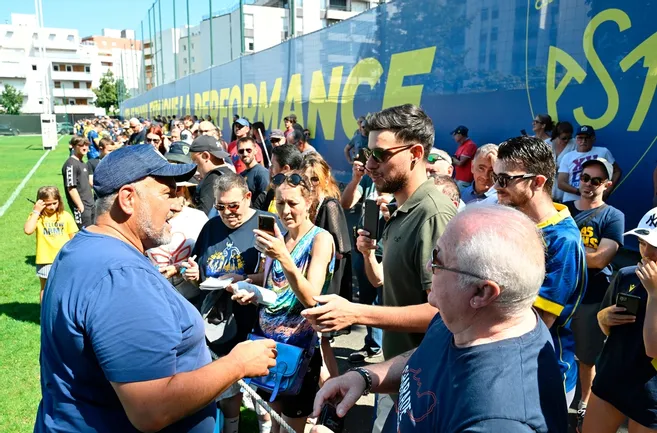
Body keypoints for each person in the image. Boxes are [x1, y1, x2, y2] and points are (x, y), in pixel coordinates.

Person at [35, 145, 277, 433]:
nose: (177, 205)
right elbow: (151, 408)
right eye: (167, 193)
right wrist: (238, 364)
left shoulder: (84, 247)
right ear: (127, 199)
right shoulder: (121, 277)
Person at [311, 205, 569, 433]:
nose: (426, 268)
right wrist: (365, 377)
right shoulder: (470, 319)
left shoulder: (498, 420)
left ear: (481, 292)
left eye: (437, 259)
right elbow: (426, 358)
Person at [302, 104, 456, 432]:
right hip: (399, 376)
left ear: (416, 153)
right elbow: (384, 283)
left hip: (425, 383)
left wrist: (357, 314)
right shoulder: (402, 210)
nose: (369, 164)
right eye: (365, 152)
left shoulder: (433, 215)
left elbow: (445, 316)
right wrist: (370, 255)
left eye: (379, 155)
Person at [233, 171, 335, 433]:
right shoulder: (281, 237)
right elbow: (275, 286)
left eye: (293, 203)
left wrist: (283, 256)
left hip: (299, 354)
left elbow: (311, 297)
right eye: (280, 203)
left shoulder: (320, 239)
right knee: (271, 424)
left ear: (309, 202)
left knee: (290, 428)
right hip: (269, 348)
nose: (286, 211)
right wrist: (250, 287)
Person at [183, 173, 282, 433]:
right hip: (217, 323)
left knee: (262, 391)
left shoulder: (266, 224)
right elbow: (201, 275)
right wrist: (194, 276)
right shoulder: (211, 227)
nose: (227, 213)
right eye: (220, 207)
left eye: (233, 206)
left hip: (254, 322)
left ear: (248, 197)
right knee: (225, 390)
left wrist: (246, 279)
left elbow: (278, 275)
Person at [494, 135, 587, 406]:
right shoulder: (515, 220)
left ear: (538, 182)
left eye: (505, 179)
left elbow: (535, 321)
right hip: (509, 364)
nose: (496, 187)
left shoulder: (563, 241)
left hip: (542, 374)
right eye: (494, 176)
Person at [583, 208, 657, 433]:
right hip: (612, 378)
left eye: (656, 247)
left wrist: (654, 294)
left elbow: (653, 348)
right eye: (643, 243)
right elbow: (609, 329)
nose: (647, 253)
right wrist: (603, 318)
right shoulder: (626, 275)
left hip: (649, 393)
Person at [565, 157, 624, 430]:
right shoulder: (562, 209)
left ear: (607, 185)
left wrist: (563, 250)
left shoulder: (613, 216)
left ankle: (584, 405)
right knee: (553, 349)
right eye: (585, 178)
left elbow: (601, 259)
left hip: (592, 298)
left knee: (587, 358)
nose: (588, 184)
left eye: (596, 180)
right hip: (559, 296)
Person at [23, 186, 77, 301]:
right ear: (40, 202)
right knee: (46, 289)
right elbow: (28, 230)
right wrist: (36, 211)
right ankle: (45, 316)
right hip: (45, 259)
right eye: (48, 204)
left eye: (54, 203)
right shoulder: (37, 217)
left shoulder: (65, 216)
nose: (52, 207)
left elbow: (73, 239)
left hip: (63, 259)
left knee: (65, 288)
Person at [558, 125, 622, 202]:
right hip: (572, 200)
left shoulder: (603, 152)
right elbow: (561, 183)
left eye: (587, 138)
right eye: (580, 138)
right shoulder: (567, 157)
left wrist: (607, 191)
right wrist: (579, 192)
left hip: (594, 200)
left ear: (593, 139)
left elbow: (617, 171)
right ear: (576, 139)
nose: (583, 141)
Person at [190, 135, 234, 215]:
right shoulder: (231, 174)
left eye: (195, 160)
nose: (195, 165)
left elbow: (202, 214)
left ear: (206, 156)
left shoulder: (213, 178)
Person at [253, 144, 303, 213]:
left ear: (286, 169)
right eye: (281, 203)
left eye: (273, 165)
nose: (270, 169)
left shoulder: (303, 194)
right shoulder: (271, 193)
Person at [62, 136, 95, 229]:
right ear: (73, 146)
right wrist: (79, 205)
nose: (84, 147)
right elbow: (71, 187)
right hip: (82, 206)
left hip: (90, 204)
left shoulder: (83, 163)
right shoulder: (71, 164)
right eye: (81, 145)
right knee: (84, 233)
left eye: (86, 145)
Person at [238, 137, 270, 206]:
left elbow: (267, 199)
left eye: (248, 150)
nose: (245, 154)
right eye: (241, 151)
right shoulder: (241, 175)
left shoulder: (262, 173)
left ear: (255, 150)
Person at [550, 121, 577, 202]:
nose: (566, 140)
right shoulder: (547, 143)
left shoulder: (574, 143)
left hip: (565, 190)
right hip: (549, 189)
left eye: (569, 138)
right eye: (564, 138)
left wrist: (560, 168)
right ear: (557, 135)